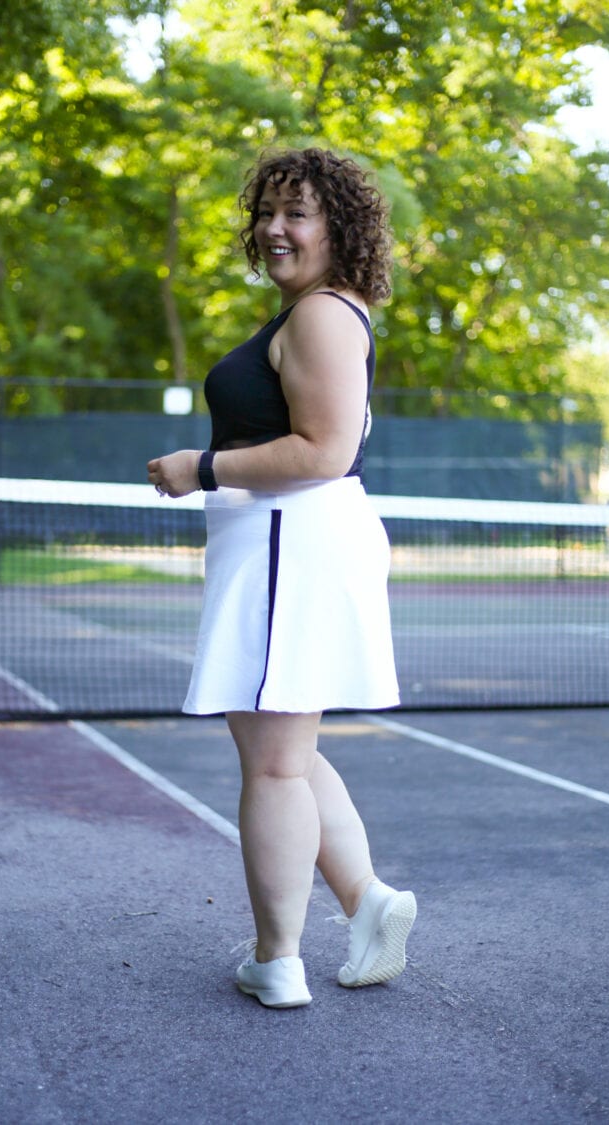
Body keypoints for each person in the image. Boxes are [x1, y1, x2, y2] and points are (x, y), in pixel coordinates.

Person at [147, 147, 416, 1009]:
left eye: (296, 212)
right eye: (267, 211)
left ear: (339, 227)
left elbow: (324, 450)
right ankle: (366, 901)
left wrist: (204, 466)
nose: (274, 228)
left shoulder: (322, 317)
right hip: (283, 548)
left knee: (269, 768)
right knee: (286, 754)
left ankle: (279, 957)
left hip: (284, 544)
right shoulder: (317, 314)